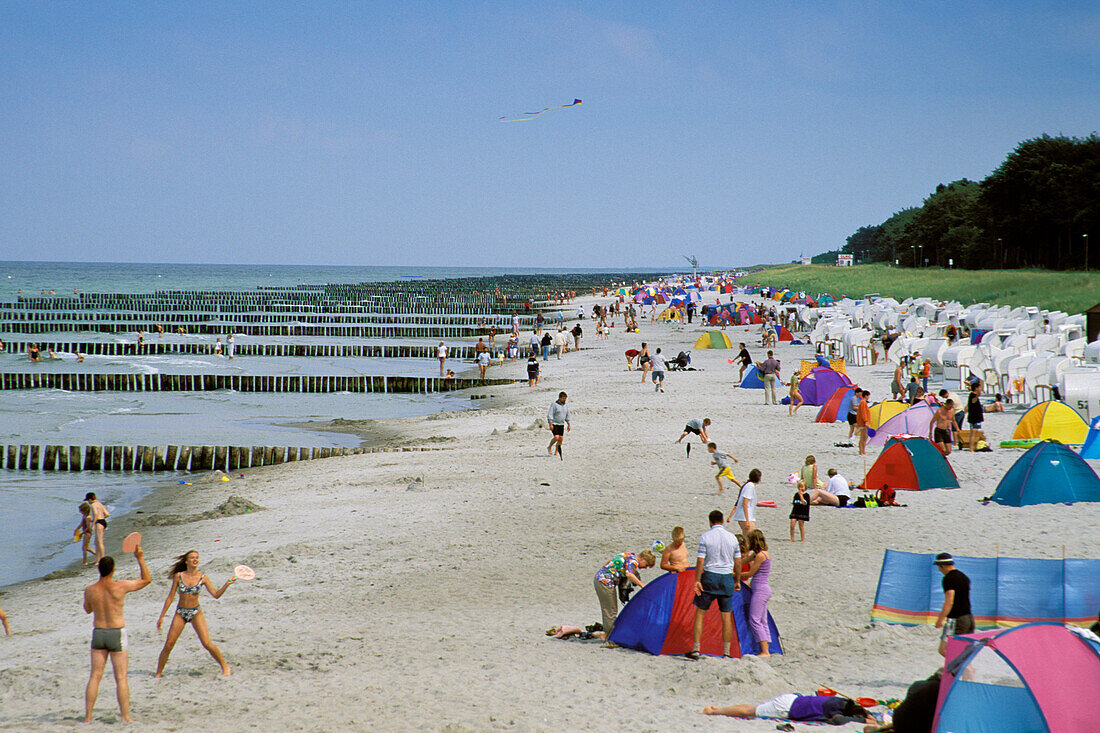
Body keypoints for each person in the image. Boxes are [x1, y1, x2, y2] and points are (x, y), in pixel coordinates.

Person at [83, 549, 152, 723]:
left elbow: (88, 609)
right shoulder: (120, 586)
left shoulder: (90, 590)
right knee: (120, 677)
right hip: (116, 632)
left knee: (95, 676)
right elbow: (146, 580)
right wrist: (140, 559)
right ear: (113, 569)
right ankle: (125, 716)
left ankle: (88, 717)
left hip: (98, 633)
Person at [155, 550, 236, 677]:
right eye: (192, 558)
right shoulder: (179, 576)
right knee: (169, 644)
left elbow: (216, 595)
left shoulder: (203, 578)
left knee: (207, 643)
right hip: (180, 612)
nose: (195, 560)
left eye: (197, 558)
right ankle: (158, 673)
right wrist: (161, 617)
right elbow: (170, 597)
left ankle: (225, 667)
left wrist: (227, 584)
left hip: (195, 612)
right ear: (186, 561)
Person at [686, 510, 741, 660]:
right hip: (726, 578)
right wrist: (737, 580)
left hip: (710, 577)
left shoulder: (706, 537)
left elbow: (700, 561)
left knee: (700, 613)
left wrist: (697, 580)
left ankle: (696, 649)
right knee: (726, 617)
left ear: (710, 521)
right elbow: (738, 562)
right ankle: (726, 652)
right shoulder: (732, 538)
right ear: (723, 521)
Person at [593, 549, 655, 644]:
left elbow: (609, 563)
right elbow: (629, 574)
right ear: (643, 558)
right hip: (605, 583)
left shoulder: (628, 555)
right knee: (611, 611)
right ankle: (611, 639)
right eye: (646, 565)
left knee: (610, 610)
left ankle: (609, 634)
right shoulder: (633, 561)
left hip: (600, 579)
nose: (645, 568)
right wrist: (642, 586)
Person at [704, 695, 872, 724]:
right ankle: (714, 711)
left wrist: (866, 715)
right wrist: (863, 720)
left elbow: (855, 709)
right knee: (749, 711)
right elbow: (838, 720)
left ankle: (718, 709)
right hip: (787, 708)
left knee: (753, 708)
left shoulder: (841, 701)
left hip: (793, 699)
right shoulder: (837, 713)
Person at [740, 529, 773, 656]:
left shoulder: (760, 556)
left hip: (760, 590)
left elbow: (750, 573)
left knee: (754, 619)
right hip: (762, 589)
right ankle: (767, 648)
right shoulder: (759, 554)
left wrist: (735, 575)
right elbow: (742, 562)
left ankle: (764, 651)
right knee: (763, 620)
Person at [934, 552, 973, 656]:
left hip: (956, 619)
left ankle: (963, 670)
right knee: (961, 652)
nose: (939, 570)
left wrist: (940, 619)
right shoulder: (964, 577)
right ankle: (965, 670)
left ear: (942, 565)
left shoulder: (948, 578)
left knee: (945, 650)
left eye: (939, 567)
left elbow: (949, 601)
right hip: (969, 618)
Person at [730, 468, 760, 533]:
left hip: (745, 516)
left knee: (746, 537)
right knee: (751, 536)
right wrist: (747, 520)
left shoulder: (749, 485)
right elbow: (745, 503)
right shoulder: (750, 486)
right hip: (744, 517)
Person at [84, 492, 110, 562]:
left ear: (90, 499)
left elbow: (95, 515)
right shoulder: (99, 503)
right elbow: (107, 514)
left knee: (99, 542)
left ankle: (102, 559)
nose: (88, 502)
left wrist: (93, 525)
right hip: (103, 522)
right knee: (96, 542)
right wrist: (102, 517)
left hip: (99, 523)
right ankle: (97, 559)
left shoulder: (93, 505)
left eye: (88, 500)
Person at [547, 392, 570, 459]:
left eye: (565, 399)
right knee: (556, 437)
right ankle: (549, 447)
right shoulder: (554, 405)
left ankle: (556, 451)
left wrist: (568, 424)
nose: (564, 400)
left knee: (561, 439)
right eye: (563, 398)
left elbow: (567, 415)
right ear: (560, 398)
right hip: (554, 423)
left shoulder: (565, 406)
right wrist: (550, 424)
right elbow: (550, 414)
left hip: (561, 424)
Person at [966, 382, 984, 452]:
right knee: (973, 433)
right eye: (979, 388)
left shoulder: (973, 395)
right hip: (974, 417)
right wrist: (977, 395)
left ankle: (974, 447)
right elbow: (973, 401)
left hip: (975, 417)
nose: (980, 389)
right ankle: (971, 448)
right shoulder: (973, 395)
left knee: (976, 432)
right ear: (976, 388)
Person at [856, 389, 871, 455]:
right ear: (866, 396)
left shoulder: (863, 402)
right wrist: (865, 421)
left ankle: (863, 451)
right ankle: (861, 451)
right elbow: (863, 413)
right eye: (868, 396)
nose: (868, 397)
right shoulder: (863, 402)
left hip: (863, 422)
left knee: (865, 437)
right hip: (863, 422)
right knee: (863, 437)